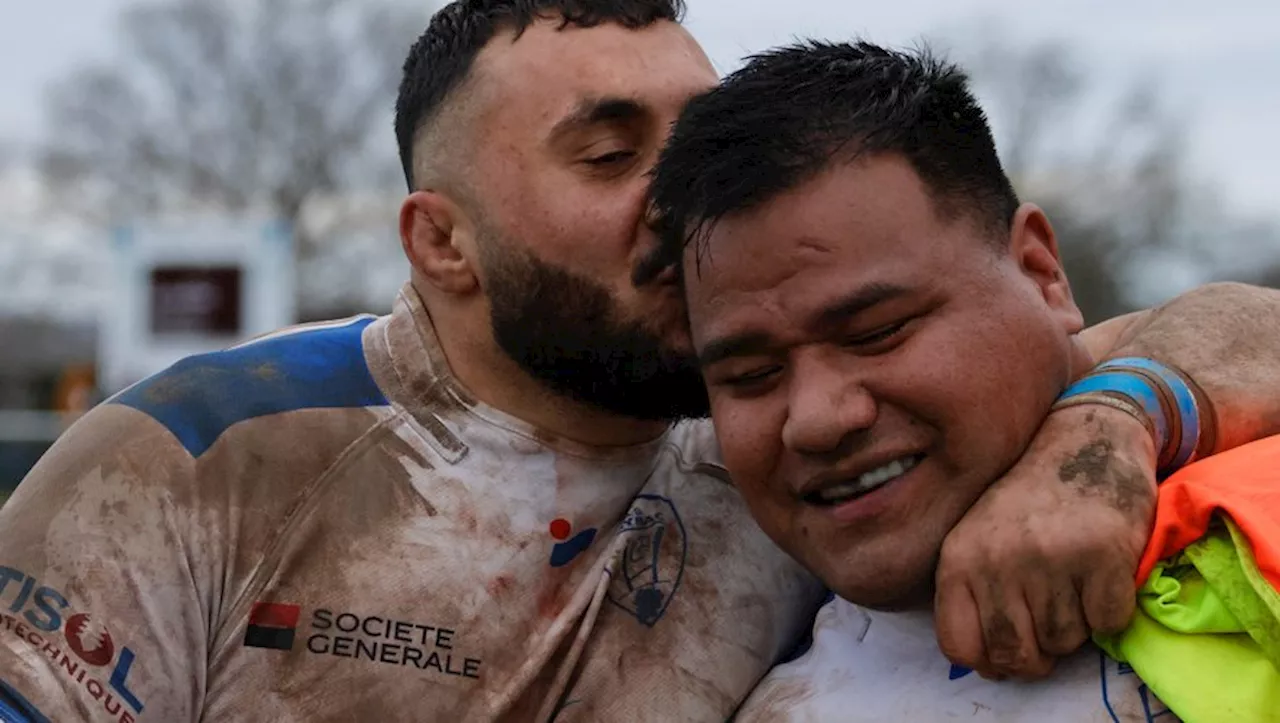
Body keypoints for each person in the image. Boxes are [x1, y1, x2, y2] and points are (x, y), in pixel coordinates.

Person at [0, 2, 1272, 719]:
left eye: (695, 137)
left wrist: (1102, 431)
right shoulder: (198, 457)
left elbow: (1229, 329)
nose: (679, 202)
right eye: (609, 156)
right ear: (441, 240)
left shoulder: (793, 440)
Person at [648, 38, 1280, 721]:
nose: (818, 417)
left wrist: (1106, 427)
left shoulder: (1242, 504)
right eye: (750, 374)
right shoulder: (742, 681)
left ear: (1041, 271)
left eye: (877, 332)